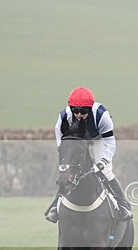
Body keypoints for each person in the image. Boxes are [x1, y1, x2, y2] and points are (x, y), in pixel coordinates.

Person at [45, 86, 132, 223]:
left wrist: (103, 161)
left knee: (106, 172)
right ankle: (55, 207)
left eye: (83, 111)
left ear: (90, 109)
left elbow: (109, 142)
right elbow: (61, 143)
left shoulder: (102, 115)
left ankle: (123, 205)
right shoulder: (64, 116)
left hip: (97, 139)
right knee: (66, 173)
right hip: (75, 140)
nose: (79, 115)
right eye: (75, 111)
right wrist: (65, 160)